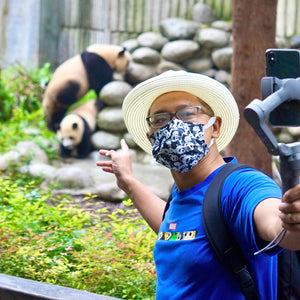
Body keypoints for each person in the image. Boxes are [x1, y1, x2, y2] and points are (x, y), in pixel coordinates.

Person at [96, 70, 300, 299]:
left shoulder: (240, 186)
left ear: (215, 127)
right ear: (150, 137)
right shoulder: (180, 195)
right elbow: (173, 230)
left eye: (187, 113)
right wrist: (128, 182)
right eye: (160, 119)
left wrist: (292, 220)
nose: (173, 126)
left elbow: (281, 230)